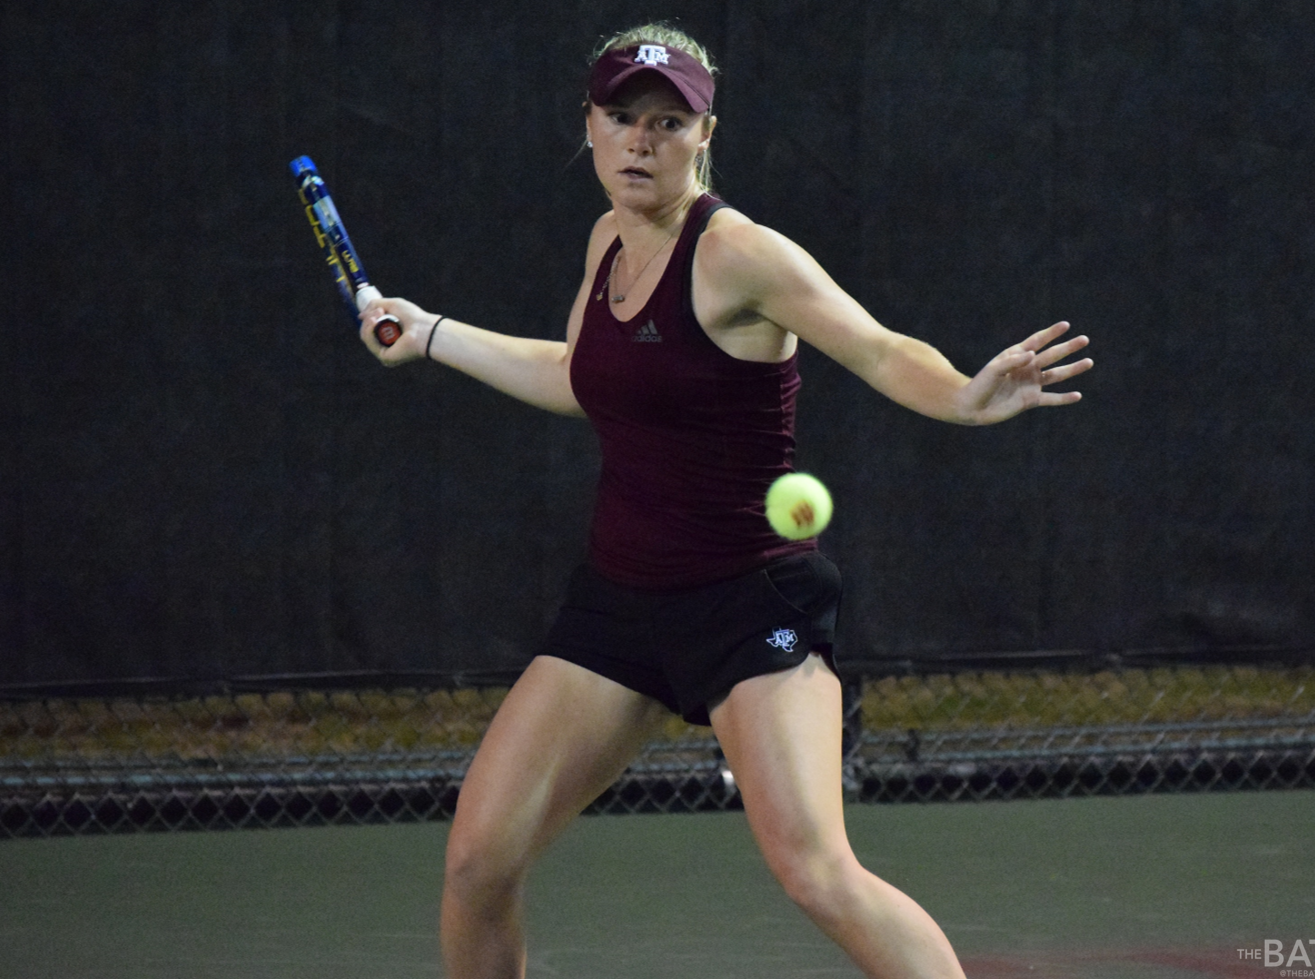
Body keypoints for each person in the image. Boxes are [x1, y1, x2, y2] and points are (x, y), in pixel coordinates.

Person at [358, 23, 1093, 979]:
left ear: (704, 134)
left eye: (666, 122)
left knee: (817, 873)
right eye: (620, 117)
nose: (639, 141)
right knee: (476, 861)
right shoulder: (607, 241)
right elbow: (585, 375)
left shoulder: (740, 253)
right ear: (587, 124)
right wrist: (431, 334)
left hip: (749, 603)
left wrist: (959, 394)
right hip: (618, 604)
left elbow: (871, 345)